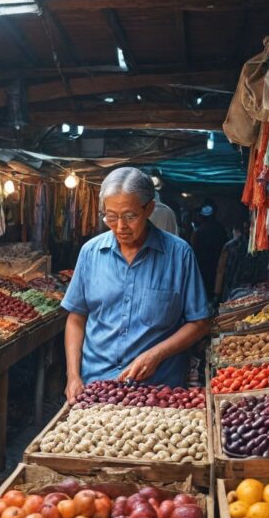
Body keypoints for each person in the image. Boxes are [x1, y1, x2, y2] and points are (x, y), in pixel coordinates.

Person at [61, 168, 211, 403]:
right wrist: (72, 376)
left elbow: (200, 323)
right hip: (96, 386)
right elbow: (76, 317)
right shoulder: (90, 253)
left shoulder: (179, 255)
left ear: (149, 209)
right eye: (111, 217)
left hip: (157, 391)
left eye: (130, 216)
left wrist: (156, 355)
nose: (120, 226)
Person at [190, 199, 228, 298]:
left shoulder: (199, 232)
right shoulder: (220, 228)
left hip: (203, 266)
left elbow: (194, 249)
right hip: (216, 265)